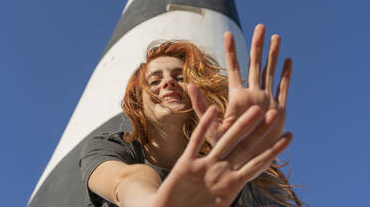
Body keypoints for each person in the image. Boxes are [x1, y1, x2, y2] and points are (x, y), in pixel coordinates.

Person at [79, 24, 304, 207]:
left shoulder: (244, 167)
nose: (168, 82)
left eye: (180, 77)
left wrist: (233, 153)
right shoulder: (111, 146)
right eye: (154, 81)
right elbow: (125, 180)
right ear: (138, 103)